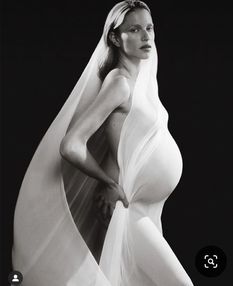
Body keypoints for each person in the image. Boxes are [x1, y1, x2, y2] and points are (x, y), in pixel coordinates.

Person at [12, 1, 194, 285]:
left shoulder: (144, 80)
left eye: (149, 28)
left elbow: (120, 142)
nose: (146, 36)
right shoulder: (119, 83)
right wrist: (109, 184)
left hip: (148, 208)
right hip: (128, 210)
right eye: (134, 29)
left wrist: (114, 172)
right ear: (114, 37)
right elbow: (71, 144)